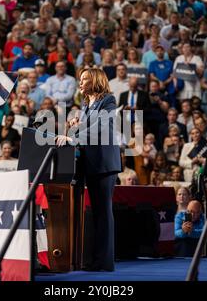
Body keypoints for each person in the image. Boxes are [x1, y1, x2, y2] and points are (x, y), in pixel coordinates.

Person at [55, 68, 121, 272]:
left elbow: (100, 129)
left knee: (103, 213)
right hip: (89, 164)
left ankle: (105, 262)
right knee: (96, 214)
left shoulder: (108, 100)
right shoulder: (85, 104)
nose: (80, 82)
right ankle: (95, 259)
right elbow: (87, 129)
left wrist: (72, 137)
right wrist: (76, 125)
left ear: (96, 80)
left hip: (103, 164)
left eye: (84, 79)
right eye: (80, 79)